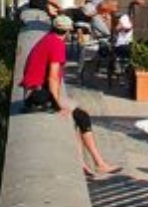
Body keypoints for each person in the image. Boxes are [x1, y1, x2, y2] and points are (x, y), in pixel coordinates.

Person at [20, 13, 121, 176]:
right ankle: (99, 163)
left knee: (78, 117)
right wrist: (58, 105)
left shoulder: (47, 39)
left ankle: (85, 163)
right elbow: (53, 77)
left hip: (33, 93)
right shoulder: (57, 45)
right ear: (67, 32)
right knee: (81, 116)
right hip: (38, 96)